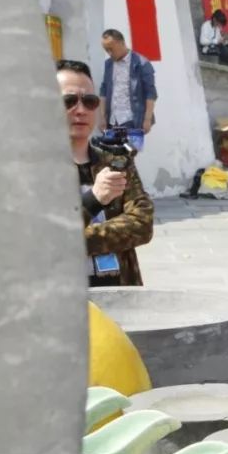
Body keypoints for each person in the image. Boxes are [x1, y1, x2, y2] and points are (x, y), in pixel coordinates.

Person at [59, 59, 153, 286]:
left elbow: (142, 224)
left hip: (121, 296)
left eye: (89, 101)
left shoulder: (116, 161)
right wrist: (93, 200)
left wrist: (75, 239)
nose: (80, 110)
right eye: (68, 101)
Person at [99, 29, 156, 153]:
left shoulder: (141, 63)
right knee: (111, 157)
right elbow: (103, 90)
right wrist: (102, 117)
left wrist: (147, 119)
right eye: (106, 50)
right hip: (112, 121)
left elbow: (150, 93)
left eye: (111, 49)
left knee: (128, 157)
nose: (109, 53)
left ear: (121, 43)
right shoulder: (108, 64)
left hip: (132, 120)